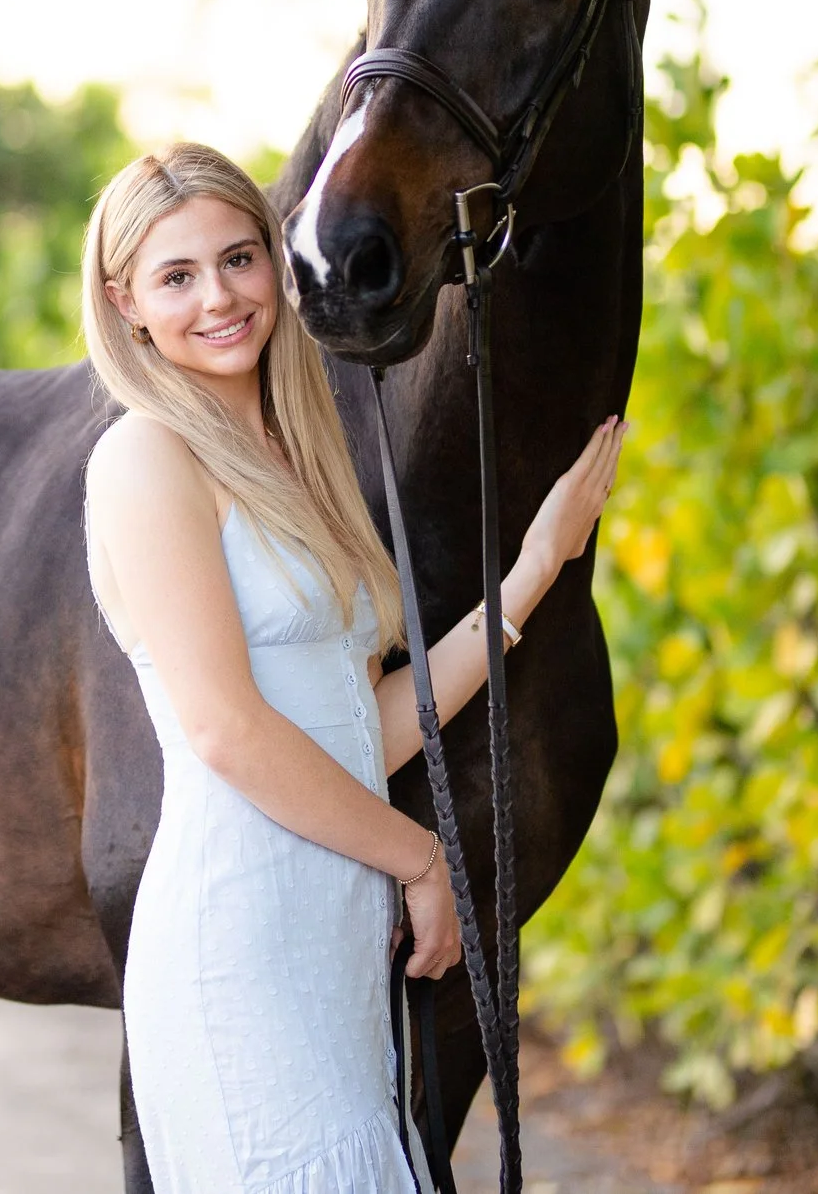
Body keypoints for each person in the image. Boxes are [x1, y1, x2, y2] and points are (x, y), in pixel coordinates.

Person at [79, 143, 626, 1194]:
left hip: (324, 939)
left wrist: (532, 570)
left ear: (278, 264)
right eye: (176, 275)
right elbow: (227, 729)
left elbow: (359, 726)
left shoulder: (298, 453)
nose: (219, 296)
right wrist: (422, 858)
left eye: (238, 257)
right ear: (126, 304)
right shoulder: (145, 457)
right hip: (237, 933)